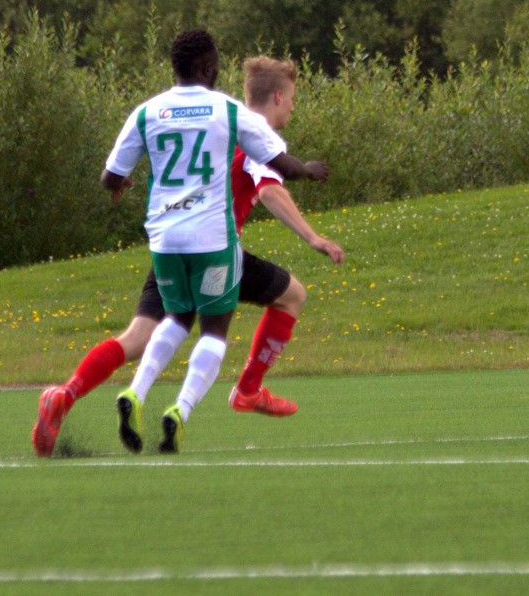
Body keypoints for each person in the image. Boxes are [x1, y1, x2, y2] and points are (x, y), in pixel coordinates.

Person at [31, 31, 337, 456]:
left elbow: (110, 176)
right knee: (282, 299)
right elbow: (270, 184)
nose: (292, 107)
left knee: (141, 335)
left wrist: (120, 183)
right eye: (293, 99)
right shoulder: (236, 121)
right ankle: (244, 390)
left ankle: (65, 395)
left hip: (166, 240)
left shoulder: (149, 111)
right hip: (213, 243)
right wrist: (312, 221)